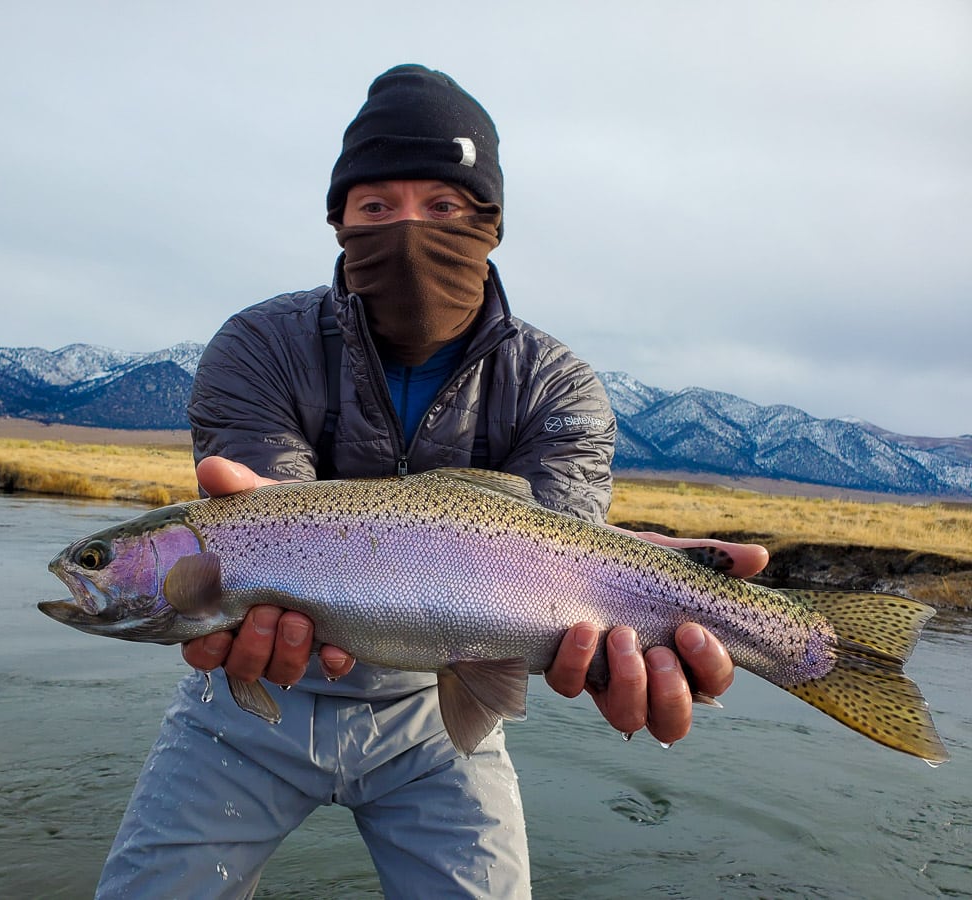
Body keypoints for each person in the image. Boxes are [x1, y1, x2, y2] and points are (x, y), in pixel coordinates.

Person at [96, 64, 768, 898]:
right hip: (246, 708)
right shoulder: (260, 344)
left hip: (444, 718)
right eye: (376, 207)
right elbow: (270, 513)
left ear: (488, 224)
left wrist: (640, 590)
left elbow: (551, 560)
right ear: (339, 221)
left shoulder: (558, 384)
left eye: (442, 207)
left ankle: (815, 650)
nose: (409, 230)